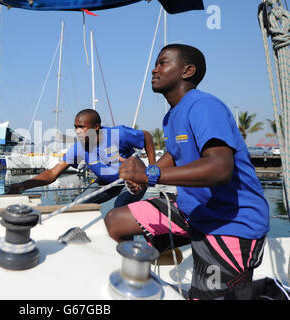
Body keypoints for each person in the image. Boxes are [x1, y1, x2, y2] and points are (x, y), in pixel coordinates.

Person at [104, 44, 270, 300]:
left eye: (162, 63)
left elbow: (219, 168)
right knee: (116, 221)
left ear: (187, 71)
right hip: (193, 209)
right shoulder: (172, 116)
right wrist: (146, 173)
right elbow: (174, 153)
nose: (154, 69)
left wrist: (150, 176)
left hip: (231, 223)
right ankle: (160, 258)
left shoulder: (204, 106)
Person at [7, 109, 156, 208]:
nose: (77, 131)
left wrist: (153, 167)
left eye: (81, 127)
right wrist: (23, 186)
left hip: (133, 180)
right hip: (106, 182)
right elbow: (52, 173)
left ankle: (129, 248)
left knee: (119, 208)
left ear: (96, 127)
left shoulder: (118, 134)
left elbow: (147, 137)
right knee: (76, 206)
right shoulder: (79, 148)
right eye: (75, 127)